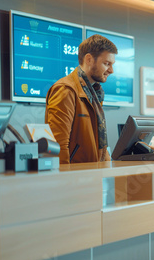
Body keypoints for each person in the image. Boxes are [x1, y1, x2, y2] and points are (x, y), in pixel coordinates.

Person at [45, 34, 117, 164]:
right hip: (74, 178)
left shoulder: (94, 92)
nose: (111, 70)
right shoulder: (66, 89)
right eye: (106, 64)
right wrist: (65, 179)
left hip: (92, 176)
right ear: (89, 59)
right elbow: (59, 145)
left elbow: (100, 142)